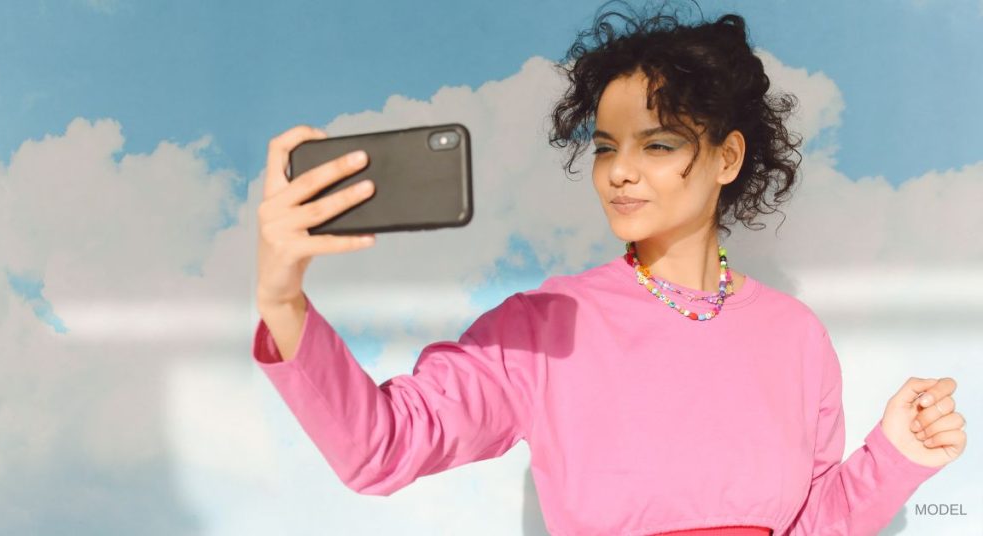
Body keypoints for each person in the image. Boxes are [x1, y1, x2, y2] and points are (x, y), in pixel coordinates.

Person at [251, 1, 966, 534]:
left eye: (656, 146)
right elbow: (380, 447)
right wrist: (282, 299)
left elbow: (811, 525)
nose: (620, 173)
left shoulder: (796, 335)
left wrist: (895, 454)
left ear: (727, 157)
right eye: (604, 147)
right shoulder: (543, 329)